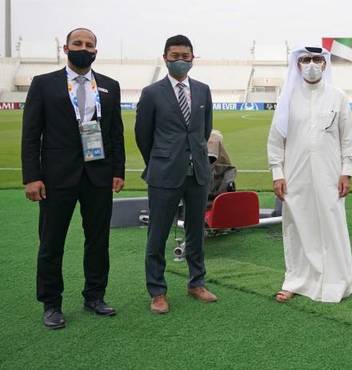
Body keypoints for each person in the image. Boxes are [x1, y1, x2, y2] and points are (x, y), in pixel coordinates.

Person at [21, 27, 125, 329]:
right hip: (56, 177)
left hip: (98, 175)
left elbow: (115, 132)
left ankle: (95, 296)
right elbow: (31, 134)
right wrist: (32, 176)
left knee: (98, 240)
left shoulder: (110, 86)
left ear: (96, 51)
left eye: (89, 44)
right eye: (77, 43)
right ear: (66, 49)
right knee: (51, 242)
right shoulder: (44, 84)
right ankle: (51, 303)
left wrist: (117, 170)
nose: (84, 48)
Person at [267, 46, 352, 303]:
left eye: (317, 59)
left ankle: (336, 282)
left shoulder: (337, 97)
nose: (311, 64)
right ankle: (295, 281)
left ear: (325, 63)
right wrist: (277, 172)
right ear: (297, 64)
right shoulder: (287, 98)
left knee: (332, 224)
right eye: (305, 59)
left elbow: (348, 139)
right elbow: (276, 140)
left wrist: (346, 171)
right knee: (298, 226)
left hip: (330, 173)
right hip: (295, 173)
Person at [135, 34, 217, 314]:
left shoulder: (203, 90)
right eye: (175, 56)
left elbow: (205, 130)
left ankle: (197, 282)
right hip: (164, 172)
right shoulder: (152, 93)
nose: (180, 60)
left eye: (185, 56)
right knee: (157, 234)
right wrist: (161, 160)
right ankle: (157, 291)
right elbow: (143, 135)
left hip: (197, 172)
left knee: (196, 230)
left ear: (193, 58)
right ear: (165, 58)